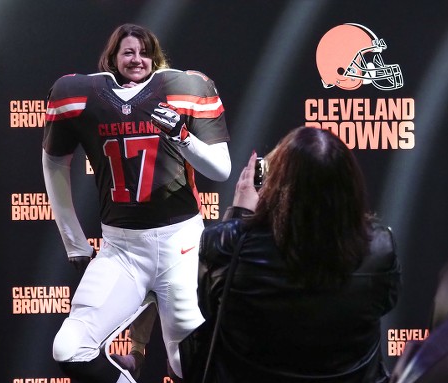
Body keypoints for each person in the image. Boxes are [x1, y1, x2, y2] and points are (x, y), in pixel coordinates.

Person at [42, 23, 231, 383]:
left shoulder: (183, 88)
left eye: (144, 52)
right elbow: (53, 161)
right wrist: (73, 239)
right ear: (112, 57)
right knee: (69, 348)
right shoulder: (81, 93)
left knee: (188, 363)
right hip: (122, 248)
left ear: (155, 56)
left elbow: (220, 170)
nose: (137, 59)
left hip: (181, 245)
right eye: (128, 51)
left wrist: (181, 134)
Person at [197, 126, 401, 383]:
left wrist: (240, 217)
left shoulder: (225, 243)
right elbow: (387, 301)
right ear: (350, 186)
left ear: (275, 184)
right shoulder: (380, 248)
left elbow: (210, 308)